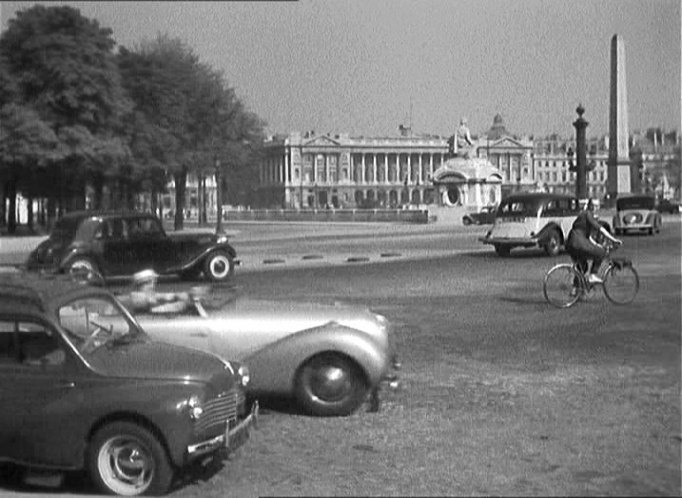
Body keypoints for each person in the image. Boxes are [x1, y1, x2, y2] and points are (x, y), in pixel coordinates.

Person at [565, 199, 622, 284]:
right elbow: (600, 229)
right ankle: (593, 275)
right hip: (578, 242)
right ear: (590, 205)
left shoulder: (582, 215)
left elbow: (588, 237)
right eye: (594, 205)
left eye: (597, 205)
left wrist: (596, 245)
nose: (595, 207)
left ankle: (576, 292)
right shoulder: (588, 214)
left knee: (582, 267)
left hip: (571, 243)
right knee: (601, 253)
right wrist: (613, 239)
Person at [120, 269, 191, 314]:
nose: (153, 284)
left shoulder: (147, 295)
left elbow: (158, 297)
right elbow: (151, 301)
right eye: (152, 281)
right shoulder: (136, 297)